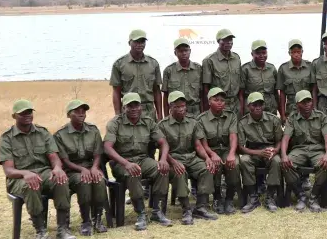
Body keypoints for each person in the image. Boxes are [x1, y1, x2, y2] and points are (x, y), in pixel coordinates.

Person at [0, 99, 77, 239]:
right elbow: (9, 170)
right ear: (14, 116)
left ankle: (63, 229)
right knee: (31, 185)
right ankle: (40, 232)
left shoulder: (43, 133)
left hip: (44, 173)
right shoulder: (6, 138)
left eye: (29, 112)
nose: (27, 115)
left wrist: (57, 168)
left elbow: (54, 157)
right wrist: (25, 173)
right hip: (19, 178)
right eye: (23, 113)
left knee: (61, 179)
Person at [103, 92, 172, 230]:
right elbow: (107, 147)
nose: (134, 109)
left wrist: (163, 159)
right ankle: (141, 213)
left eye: (136, 105)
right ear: (124, 108)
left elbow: (163, 143)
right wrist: (126, 164)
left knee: (162, 169)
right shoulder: (115, 123)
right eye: (130, 106)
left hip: (143, 159)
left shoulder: (148, 122)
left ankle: (157, 211)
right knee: (133, 172)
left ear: (141, 107)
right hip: (121, 163)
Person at [158, 91, 219, 225]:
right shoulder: (162, 125)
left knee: (207, 168)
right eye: (177, 107)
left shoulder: (193, 122)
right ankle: (186, 209)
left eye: (183, 106)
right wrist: (173, 162)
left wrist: (207, 158)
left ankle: (201, 207)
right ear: (170, 107)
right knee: (180, 172)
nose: (181, 109)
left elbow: (198, 146)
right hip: (173, 159)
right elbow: (163, 150)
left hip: (191, 158)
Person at [53, 99, 109, 236]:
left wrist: (95, 168)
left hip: (91, 167)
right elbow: (64, 160)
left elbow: (97, 154)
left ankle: (97, 219)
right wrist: (82, 170)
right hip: (71, 170)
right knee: (83, 180)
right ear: (69, 115)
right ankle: (86, 221)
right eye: (77, 111)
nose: (81, 113)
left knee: (99, 180)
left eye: (83, 111)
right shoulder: (60, 135)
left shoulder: (93, 130)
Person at [280, 90, 327, 212]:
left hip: (317, 149)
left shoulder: (321, 117)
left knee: (324, 164)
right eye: (303, 102)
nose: (307, 104)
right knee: (286, 164)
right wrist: (284, 155)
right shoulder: (292, 118)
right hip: (300, 150)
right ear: (297, 104)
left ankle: (313, 197)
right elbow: (285, 139)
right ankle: (301, 196)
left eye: (309, 101)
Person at [237, 92, 284, 213]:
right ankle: (253, 197)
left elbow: (279, 140)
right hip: (253, 152)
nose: (258, 107)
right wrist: (259, 153)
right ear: (248, 106)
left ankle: (270, 196)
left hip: (270, 150)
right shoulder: (242, 123)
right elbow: (241, 147)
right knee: (244, 160)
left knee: (277, 160)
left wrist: (276, 150)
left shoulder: (273, 119)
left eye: (260, 104)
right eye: (254, 105)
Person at [196, 87, 240, 214]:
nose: (220, 102)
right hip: (211, 150)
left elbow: (233, 137)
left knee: (235, 163)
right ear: (209, 101)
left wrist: (231, 154)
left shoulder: (231, 116)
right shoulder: (201, 119)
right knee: (214, 164)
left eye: (222, 100)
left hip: (226, 150)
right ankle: (217, 198)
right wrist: (212, 154)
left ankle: (229, 198)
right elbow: (203, 143)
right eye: (216, 100)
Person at [110, 29, 163, 121]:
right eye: (136, 41)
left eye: (142, 41)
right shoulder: (119, 64)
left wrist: (160, 116)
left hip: (148, 112)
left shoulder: (153, 64)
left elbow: (156, 91)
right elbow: (116, 92)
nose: (140, 44)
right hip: (128, 111)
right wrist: (118, 115)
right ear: (129, 43)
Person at [201, 29, 242, 114]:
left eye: (230, 40)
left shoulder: (236, 58)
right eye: (225, 40)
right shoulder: (209, 60)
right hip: (219, 104)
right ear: (218, 41)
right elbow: (206, 88)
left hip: (235, 104)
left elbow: (239, 83)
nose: (228, 42)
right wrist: (209, 107)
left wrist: (241, 106)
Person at [162, 37, 203, 117]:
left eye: (186, 50)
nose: (184, 53)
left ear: (190, 51)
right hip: (176, 113)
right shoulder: (169, 71)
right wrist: (166, 117)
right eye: (180, 51)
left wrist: (203, 115)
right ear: (175, 53)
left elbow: (202, 94)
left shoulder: (198, 69)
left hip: (195, 113)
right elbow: (165, 96)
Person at [277, 39, 315, 123]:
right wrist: (282, 115)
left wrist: (314, 108)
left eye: (298, 52)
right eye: (293, 52)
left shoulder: (310, 66)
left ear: (302, 52)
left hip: (307, 108)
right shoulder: (283, 68)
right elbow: (282, 94)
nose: (296, 55)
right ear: (289, 53)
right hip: (291, 109)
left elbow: (314, 89)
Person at [240, 39, 278, 116]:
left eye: (264, 53)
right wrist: (241, 112)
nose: (261, 56)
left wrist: (280, 112)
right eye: (258, 53)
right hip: (252, 110)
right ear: (252, 54)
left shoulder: (272, 68)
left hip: (270, 110)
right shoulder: (245, 69)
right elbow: (241, 94)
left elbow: (276, 93)